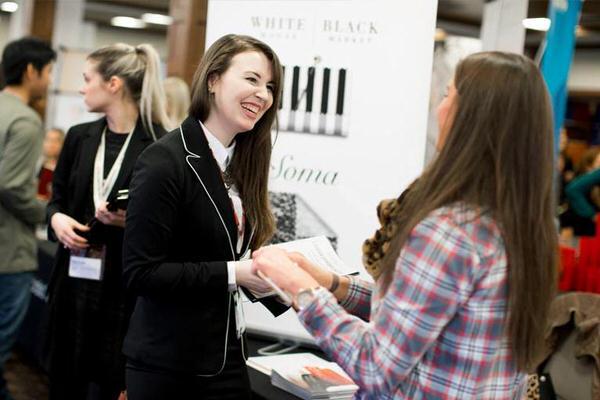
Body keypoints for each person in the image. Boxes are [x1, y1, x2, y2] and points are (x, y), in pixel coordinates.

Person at [253, 51, 558, 399]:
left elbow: (373, 367)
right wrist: (332, 285)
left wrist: (300, 289)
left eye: (446, 95)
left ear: (470, 118)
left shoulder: (448, 233)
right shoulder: (523, 228)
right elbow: (424, 315)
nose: (437, 111)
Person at [122, 34, 283, 399]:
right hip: (169, 365)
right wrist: (234, 273)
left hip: (227, 354)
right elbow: (140, 272)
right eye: (252, 79)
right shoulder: (165, 160)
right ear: (213, 80)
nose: (263, 95)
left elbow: (230, 250)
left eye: (270, 86)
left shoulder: (243, 161)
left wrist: (278, 276)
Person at [44, 43, 169, 400]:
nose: (82, 87)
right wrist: (57, 221)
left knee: (111, 386)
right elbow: (56, 200)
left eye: (87, 79)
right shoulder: (79, 136)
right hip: (72, 281)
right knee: (64, 381)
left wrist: (131, 223)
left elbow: (172, 230)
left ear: (113, 84)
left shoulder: (160, 145)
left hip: (123, 290)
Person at [0, 36, 55, 400]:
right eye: (49, 71)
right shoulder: (25, 120)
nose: (50, 80)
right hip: (9, 250)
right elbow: (11, 185)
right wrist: (50, 214)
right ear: (31, 71)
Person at [37, 128, 65, 200]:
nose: (51, 144)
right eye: (48, 140)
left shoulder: (64, 170)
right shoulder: (36, 165)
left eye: (56, 141)